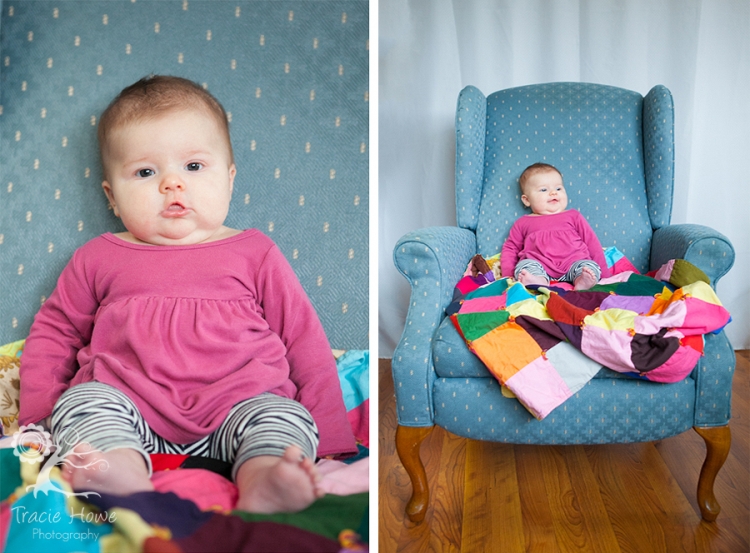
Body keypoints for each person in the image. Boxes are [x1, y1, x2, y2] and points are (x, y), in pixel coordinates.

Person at [18, 75, 356, 514]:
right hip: (126, 403)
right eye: (145, 172)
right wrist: (38, 422)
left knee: (282, 417)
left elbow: (302, 338)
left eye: (194, 167)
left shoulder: (255, 252)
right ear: (112, 197)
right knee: (83, 404)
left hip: (241, 400)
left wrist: (329, 433)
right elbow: (54, 336)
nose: (172, 185)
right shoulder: (98, 257)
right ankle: (116, 473)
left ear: (230, 179)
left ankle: (268, 477)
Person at [500, 163, 610, 290]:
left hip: (574, 262)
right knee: (525, 266)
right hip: (540, 266)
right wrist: (507, 276)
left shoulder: (573, 216)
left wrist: (605, 275)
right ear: (527, 200)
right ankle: (537, 281)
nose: (553, 193)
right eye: (543, 190)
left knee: (589, 267)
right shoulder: (523, 222)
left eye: (558, 189)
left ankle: (582, 281)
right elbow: (511, 248)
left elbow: (592, 242)